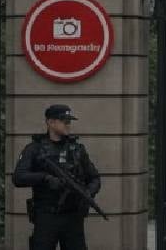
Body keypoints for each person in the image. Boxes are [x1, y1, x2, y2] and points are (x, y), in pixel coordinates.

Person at [14, 104, 101, 250]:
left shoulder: (77, 150)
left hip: (73, 217)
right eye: (64, 121)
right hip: (47, 216)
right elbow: (18, 177)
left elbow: (95, 178)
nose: (68, 125)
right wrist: (45, 178)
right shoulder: (34, 149)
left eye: (69, 121)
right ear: (50, 122)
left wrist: (88, 192)